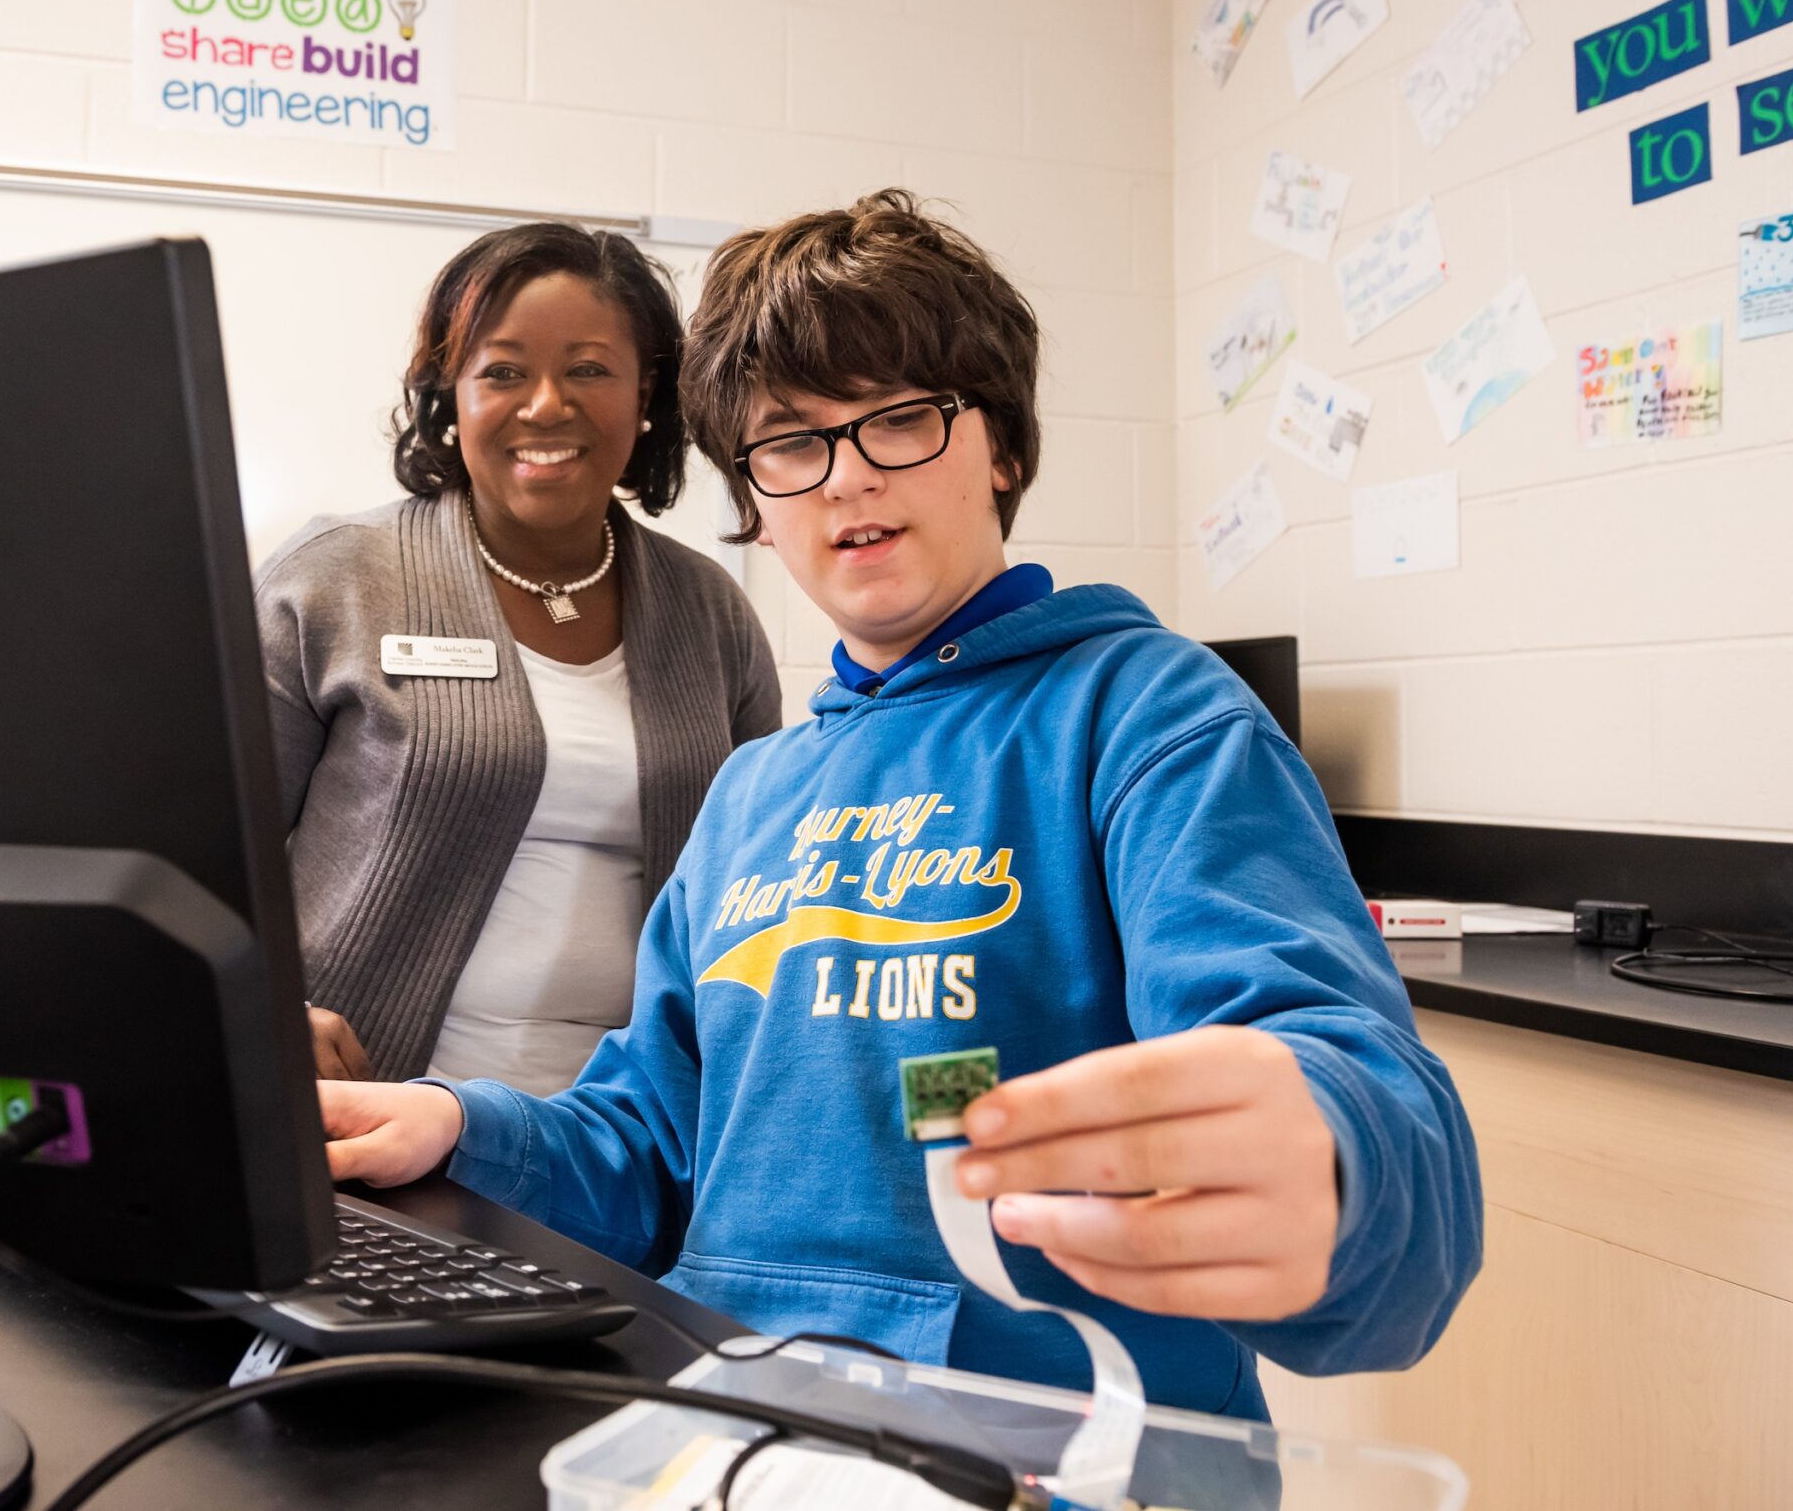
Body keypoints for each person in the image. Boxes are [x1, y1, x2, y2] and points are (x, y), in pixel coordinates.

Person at [315, 193, 1483, 1418]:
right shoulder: (754, 790)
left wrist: (1342, 1162)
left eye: (901, 419)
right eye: (790, 443)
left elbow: (1353, 1091)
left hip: (1052, 1454)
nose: (848, 478)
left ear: (1003, 447)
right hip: (745, 1434)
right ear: (753, 498)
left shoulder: (1148, 718)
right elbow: (651, 1149)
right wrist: (456, 1125)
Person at [258, 222, 781, 1094]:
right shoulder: (334, 578)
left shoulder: (711, 613)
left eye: (588, 368)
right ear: (448, 394)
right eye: (502, 371)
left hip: (622, 1150)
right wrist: (258, 1004)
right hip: (355, 1121)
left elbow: (757, 890)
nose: (546, 404)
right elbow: (196, 858)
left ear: (646, 391)